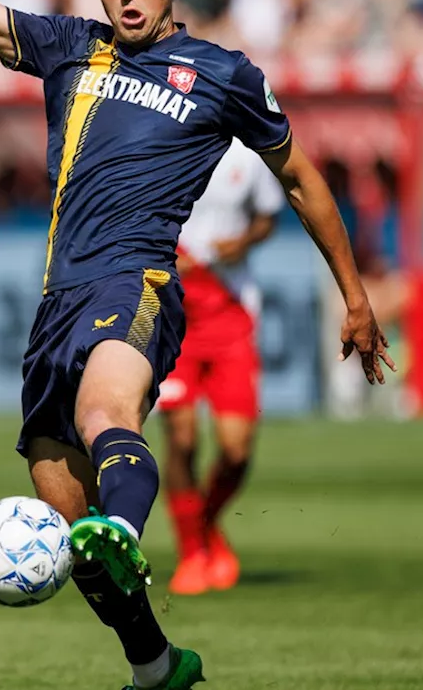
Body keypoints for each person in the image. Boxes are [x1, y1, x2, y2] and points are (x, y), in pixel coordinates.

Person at [0, 0, 393, 689]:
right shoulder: (70, 47)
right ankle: (154, 662)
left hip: (138, 282)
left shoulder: (224, 74)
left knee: (111, 416)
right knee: (73, 520)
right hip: (55, 302)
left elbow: (301, 178)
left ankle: (131, 535)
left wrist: (353, 296)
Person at [156, 139, 283, 596]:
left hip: (230, 311)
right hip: (170, 313)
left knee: (236, 450)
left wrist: (244, 241)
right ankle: (191, 552)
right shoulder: (161, 137)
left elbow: (269, 216)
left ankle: (205, 524)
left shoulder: (247, 152)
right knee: (183, 437)